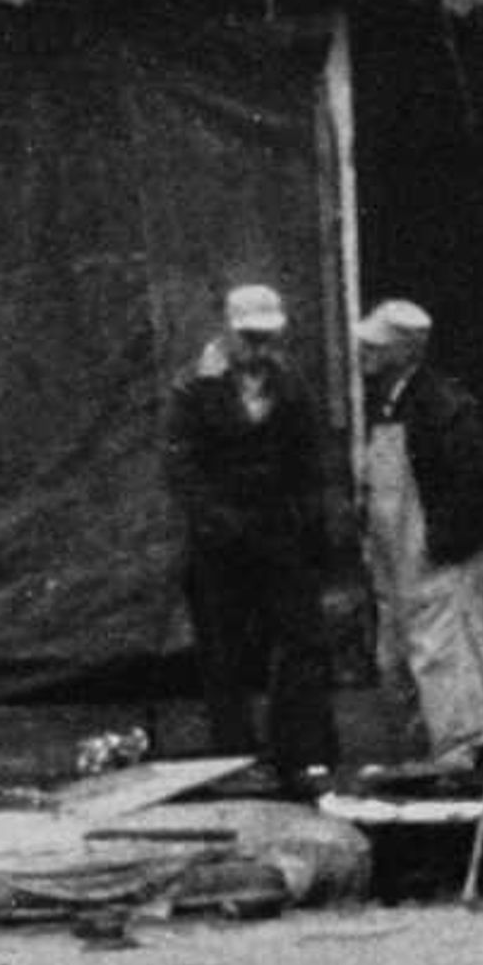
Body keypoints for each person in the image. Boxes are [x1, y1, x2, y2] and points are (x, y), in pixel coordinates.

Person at [162, 282, 342, 793]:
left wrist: (308, 523)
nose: (261, 348)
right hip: (221, 545)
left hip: (281, 536)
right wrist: (220, 522)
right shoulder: (193, 389)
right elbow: (181, 468)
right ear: (228, 331)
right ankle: (235, 757)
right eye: (250, 337)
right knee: (224, 652)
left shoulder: (290, 386)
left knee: (303, 643)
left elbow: (310, 461)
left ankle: (303, 754)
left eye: (268, 337)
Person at [352, 298, 483, 756]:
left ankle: (459, 763)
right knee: (399, 665)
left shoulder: (441, 405)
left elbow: (478, 484)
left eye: (376, 346)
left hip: (434, 567)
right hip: (397, 569)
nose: (366, 353)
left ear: (407, 351)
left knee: (448, 665)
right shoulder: (390, 404)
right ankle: (423, 761)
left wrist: (444, 549)